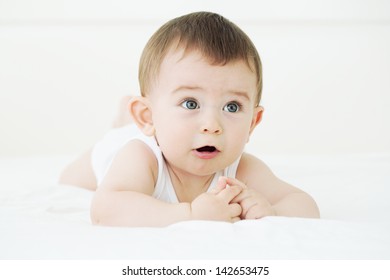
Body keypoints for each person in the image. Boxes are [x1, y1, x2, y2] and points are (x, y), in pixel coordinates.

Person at [59, 11, 320, 227]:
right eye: (190, 103)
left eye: (231, 107)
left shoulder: (241, 170)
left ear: (252, 122)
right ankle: (124, 124)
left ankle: (133, 117)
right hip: (118, 147)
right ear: (147, 116)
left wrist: (271, 212)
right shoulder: (141, 157)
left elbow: (305, 204)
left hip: (148, 127)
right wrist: (191, 215)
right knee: (68, 179)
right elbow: (105, 211)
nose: (212, 125)